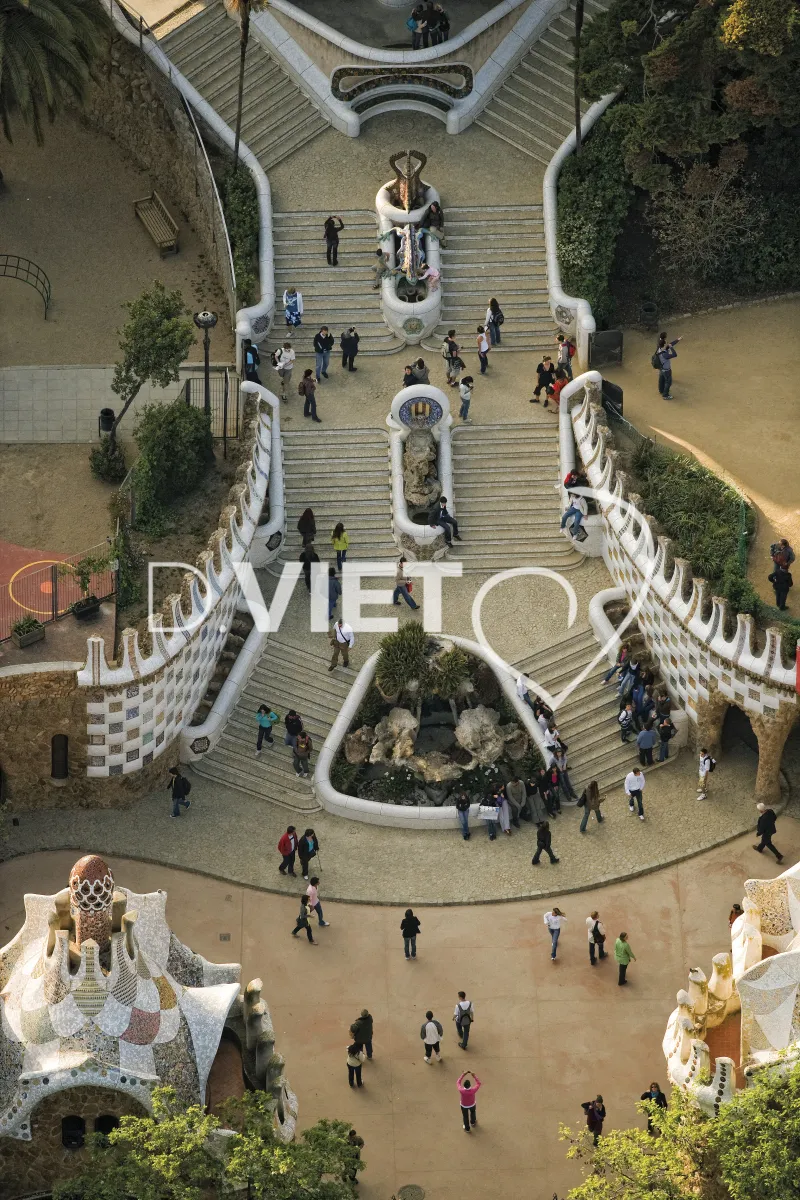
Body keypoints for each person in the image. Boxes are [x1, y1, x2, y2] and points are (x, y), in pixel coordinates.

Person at [654, 332, 681, 399]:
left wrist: (677, 340)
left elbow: (670, 344)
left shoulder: (659, 349)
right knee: (668, 382)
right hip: (666, 370)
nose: (667, 343)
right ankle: (665, 395)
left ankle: (661, 390)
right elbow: (674, 354)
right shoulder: (665, 354)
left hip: (661, 368)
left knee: (661, 380)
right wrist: (671, 348)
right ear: (664, 345)